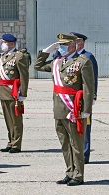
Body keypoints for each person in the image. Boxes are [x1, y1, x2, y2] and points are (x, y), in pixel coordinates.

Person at [34, 33, 94, 186]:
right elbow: (37, 66)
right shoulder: (57, 62)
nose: (60, 47)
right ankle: (69, 172)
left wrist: (86, 111)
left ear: (72, 45)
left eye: (64, 45)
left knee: (76, 144)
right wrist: (47, 51)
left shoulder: (83, 62)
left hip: (73, 109)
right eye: (59, 45)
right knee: (65, 144)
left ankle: (78, 175)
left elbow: (88, 88)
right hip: (58, 109)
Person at [0, 34, 29, 153]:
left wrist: (23, 93)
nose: (3, 44)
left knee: (16, 120)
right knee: (8, 120)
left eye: (5, 42)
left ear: (12, 44)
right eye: (2, 42)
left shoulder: (19, 56)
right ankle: (10, 142)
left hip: (14, 92)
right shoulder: (2, 57)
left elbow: (24, 76)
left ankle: (16, 144)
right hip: (3, 92)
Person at [70, 32, 98, 164]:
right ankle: (75, 153)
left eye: (74, 41)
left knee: (85, 127)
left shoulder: (88, 57)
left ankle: (85, 154)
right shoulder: (69, 57)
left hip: (83, 98)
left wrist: (92, 96)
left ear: (81, 42)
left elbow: (93, 80)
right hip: (70, 98)